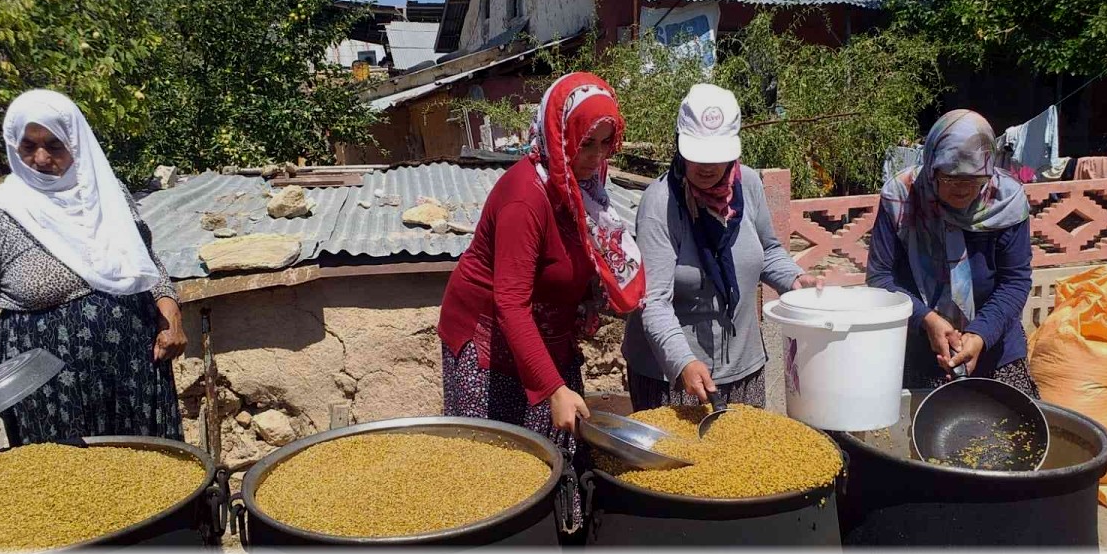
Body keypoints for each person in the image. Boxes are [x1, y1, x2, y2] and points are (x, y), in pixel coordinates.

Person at [437, 72, 645, 456]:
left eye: (605, 144)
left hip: (548, 331)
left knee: (562, 448)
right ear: (559, 134)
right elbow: (510, 304)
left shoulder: (584, 187)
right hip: (489, 344)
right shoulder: (525, 198)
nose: (597, 157)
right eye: (585, 144)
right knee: (499, 460)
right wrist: (552, 388)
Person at [0, 90, 186, 445]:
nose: (41, 158)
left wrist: (170, 308)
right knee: (66, 484)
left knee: (145, 472)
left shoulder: (107, 192)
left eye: (55, 146)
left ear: (76, 142)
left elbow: (145, 258)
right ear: (13, 144)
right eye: (28, 146)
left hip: (133, 367)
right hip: (47, 385)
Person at [623, 84, 819, 411]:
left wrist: (795, 279)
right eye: (697, 155)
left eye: (717, 157)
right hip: (672, 375)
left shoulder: (749, 185)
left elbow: (767, 250)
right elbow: (653, 299)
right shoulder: (661, 203)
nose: (707, 167)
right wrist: (682, 361)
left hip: (743, 365)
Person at [866, 109, 1039, 397]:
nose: (963, 190)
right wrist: (926, 319)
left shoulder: (1007, 201)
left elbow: (1015, 281)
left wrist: (980, 333)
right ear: (932, 166)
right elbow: (881, 278)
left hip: (995, 349)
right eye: (951, 178)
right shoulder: (901, 198)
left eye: (975, 180)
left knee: (1007, 436)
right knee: (923, 435)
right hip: (919, 351)